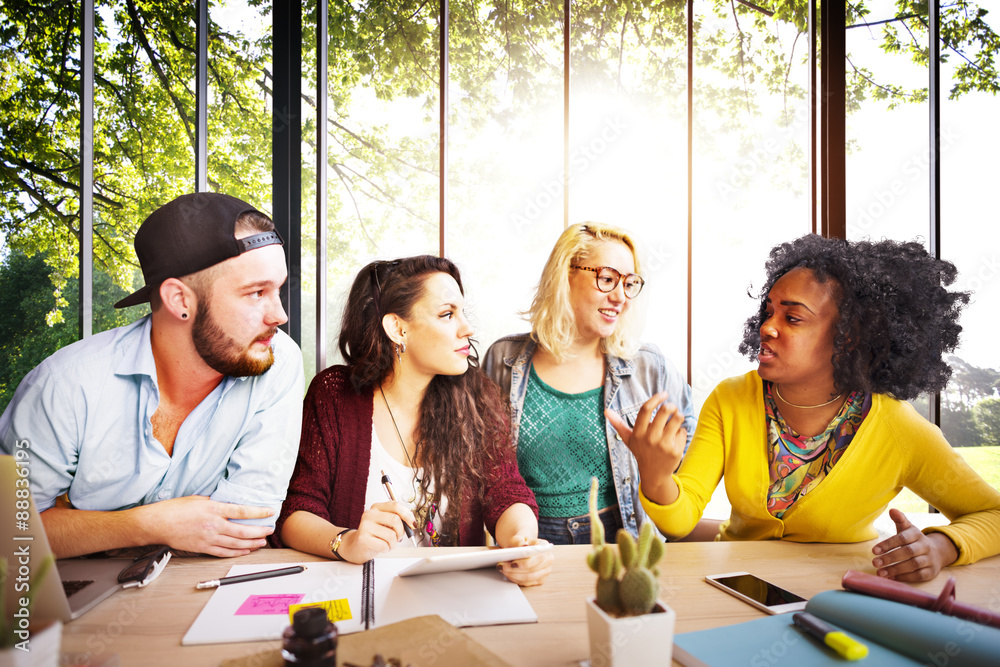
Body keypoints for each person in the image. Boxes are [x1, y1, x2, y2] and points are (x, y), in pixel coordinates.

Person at [612, 234, 1000, 582]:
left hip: (842, 596)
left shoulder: (897, 428)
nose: (767, 326)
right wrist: (656, 476)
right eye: (769, 311)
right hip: (736, 586)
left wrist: (941, 548)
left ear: (849, 338)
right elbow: (682, 516)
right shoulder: (731, 399)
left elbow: (993, 515)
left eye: (792, 317)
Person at [0, 193, 304, 559]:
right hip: (73, 606)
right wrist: (148, 525)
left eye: (278, 289)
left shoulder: (277, 361)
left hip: (205, 589)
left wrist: (75, 522)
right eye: (256, 293)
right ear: (179, 300)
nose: (280, 315)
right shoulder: (64, 385)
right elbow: (11, 532)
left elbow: (245, 528)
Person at [274, 255, 552, 586]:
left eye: (463, 313)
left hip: (456, 596)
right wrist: (345, 541)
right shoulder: (333, 395)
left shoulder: (477, 395)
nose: (468, 328)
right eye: (448, 314)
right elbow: (296, 512)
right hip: (358, 592)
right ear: (398, 328)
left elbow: (505, 492)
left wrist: (521, 543)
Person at [483, 223, 696, 544]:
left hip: (624, 537)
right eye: (607, 279)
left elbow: (691, 467)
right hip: (529, 536)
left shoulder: (650, 366)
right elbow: (483, 466)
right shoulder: (503, 359)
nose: (620, 296)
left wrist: (659, 470)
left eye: (629, 283)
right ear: (564, 276)